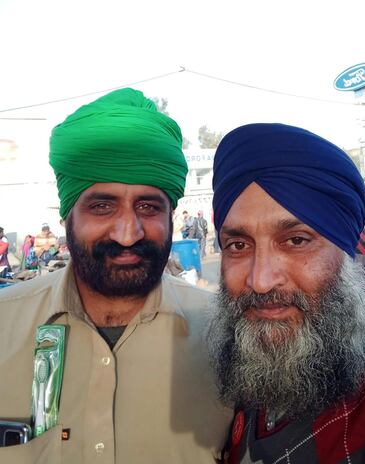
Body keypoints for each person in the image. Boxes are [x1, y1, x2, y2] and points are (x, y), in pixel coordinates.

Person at [0, 89, 231, 463]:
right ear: (66, 217)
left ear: (170, 214)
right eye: (102, 206)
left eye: (148, 206)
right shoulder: (4, 323)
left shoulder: (227, 334)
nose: (128, 233)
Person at [207, 123, 365, 463]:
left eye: (296, 240)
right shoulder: (248, 365)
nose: (261, 280)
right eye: (238, 245)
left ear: (346, 255)